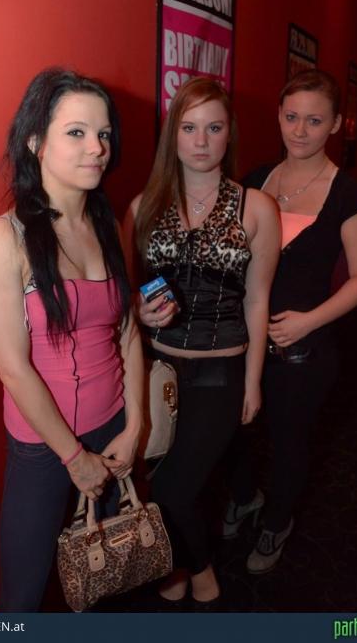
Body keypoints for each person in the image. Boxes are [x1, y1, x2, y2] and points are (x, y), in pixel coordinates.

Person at [0, 68, 143, 612]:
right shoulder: (4, 239)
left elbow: (127, 331)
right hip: (46, 448)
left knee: (109, 581)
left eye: (104, 133)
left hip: (113, 429)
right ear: (35, 142)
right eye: (76, 132)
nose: (97, 148)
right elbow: (12, 368)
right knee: (22, 600)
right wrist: (74, 458)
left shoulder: (108, 224)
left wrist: (135, 426)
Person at [123, 77, 280, 608]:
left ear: (229, 132)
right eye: (189, 128)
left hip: (220, 371)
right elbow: (125, 295)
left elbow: (257, 300)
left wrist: (253, 381)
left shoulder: (256, 206)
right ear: (173, 134)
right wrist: (140, 310)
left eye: (214, 128)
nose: (201, 140)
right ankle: (187, 565)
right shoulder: (143, 205)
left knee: (175, 488)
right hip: (157, 369)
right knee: (160, 483)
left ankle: (199, 569)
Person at [225, 69, 357, 574]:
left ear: (335, 124)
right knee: (236, 430)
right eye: (291, 117)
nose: (300, 130)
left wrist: (309, 321)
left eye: (314, 120)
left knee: (290, 439)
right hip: (242, 338)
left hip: (304, 346)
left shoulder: (349, 195)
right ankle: (244, 497)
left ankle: (278, 521)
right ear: (278, 116)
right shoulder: (254, 180)